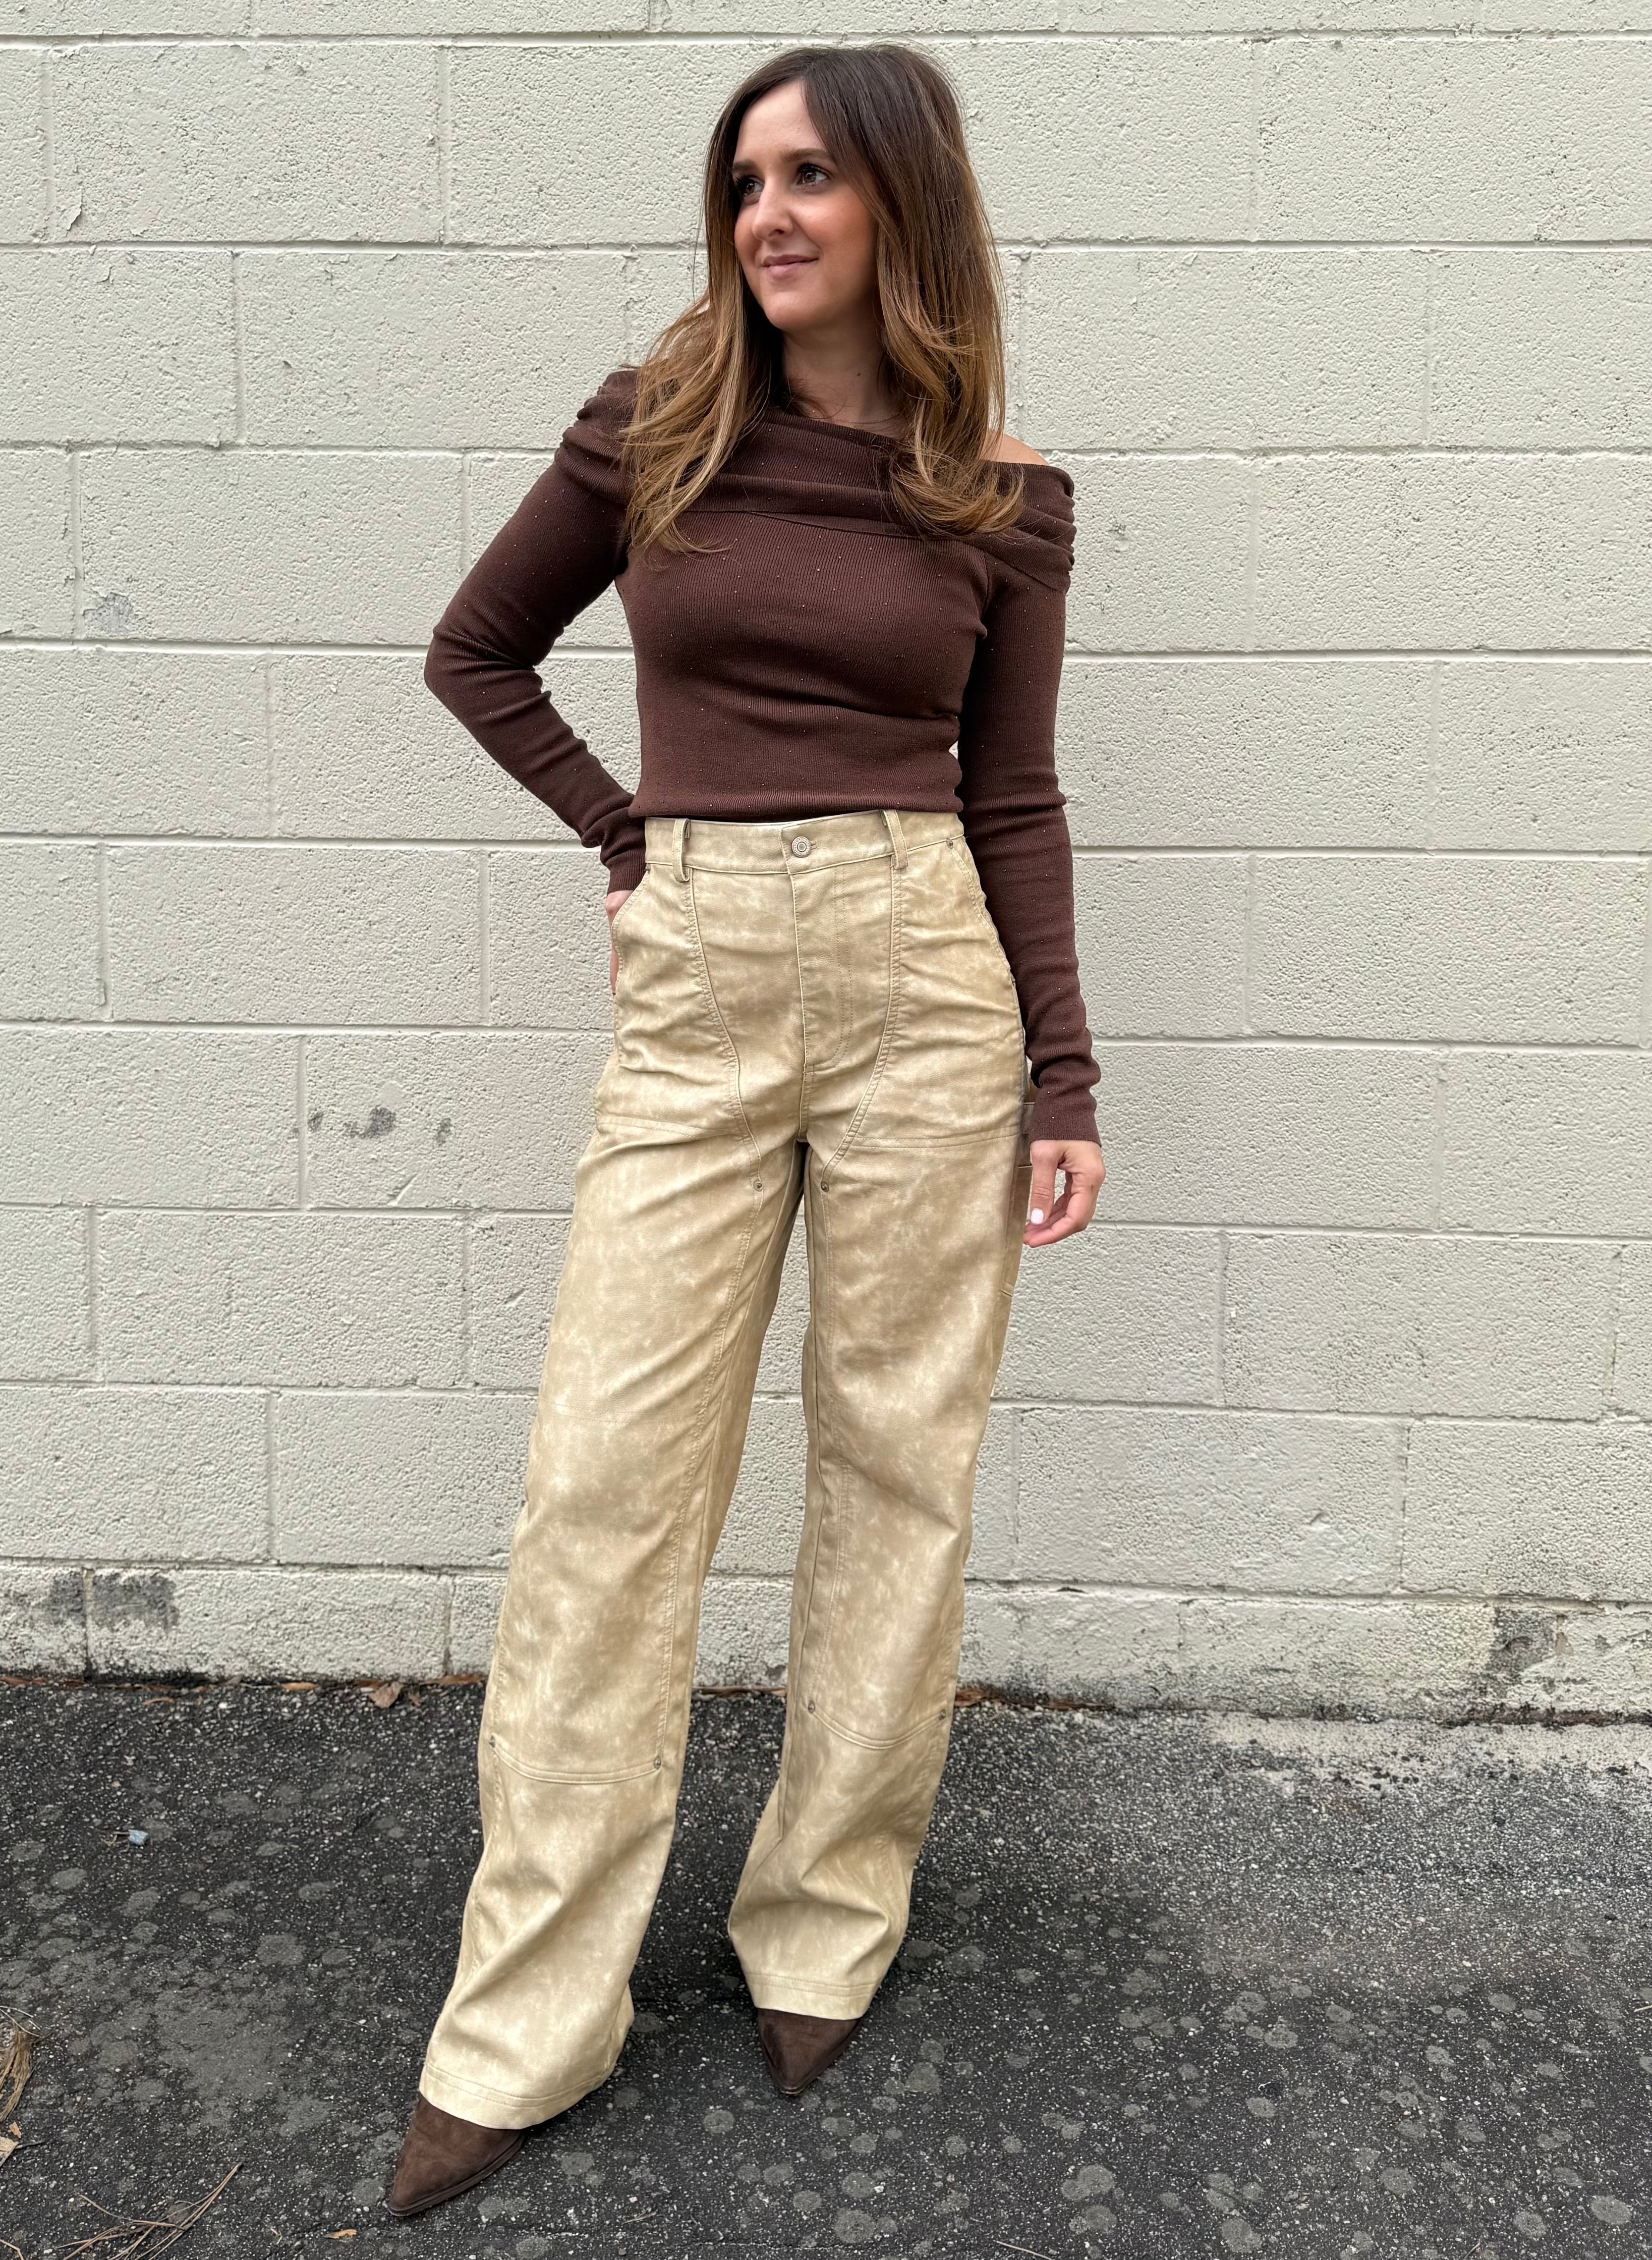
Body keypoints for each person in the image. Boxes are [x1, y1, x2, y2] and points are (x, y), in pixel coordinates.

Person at [382, 39, 1104, 2223]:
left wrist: (1065, 1075)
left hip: (927, 983)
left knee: (898, 1468)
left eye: (809, 176)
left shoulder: (1001, 491)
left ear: (904, 204)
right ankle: (526, 2021)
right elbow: (479, 651)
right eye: (743, 179)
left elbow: (1014, 795)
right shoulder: (660, 422)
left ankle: (823, 1924)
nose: (765, 214)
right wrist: (632, 840)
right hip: (701, 981)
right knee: (605, 1486)